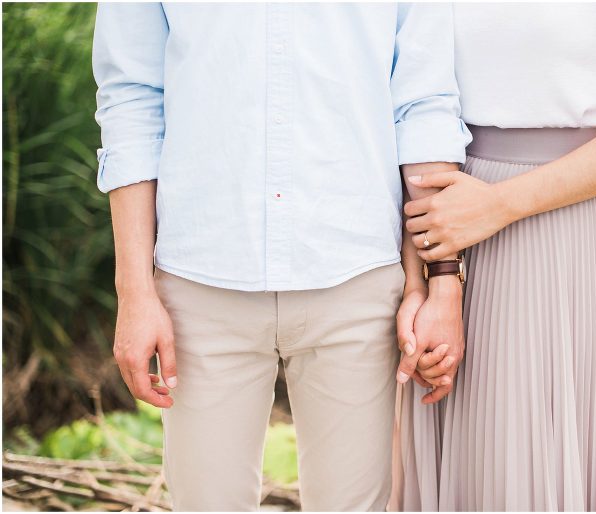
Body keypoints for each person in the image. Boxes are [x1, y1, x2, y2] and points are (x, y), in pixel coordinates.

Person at [92, 3, 470, 510]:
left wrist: (441, 280)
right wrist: (133, 291)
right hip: (202, 282)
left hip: (356, 276)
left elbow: (423, 105)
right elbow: (132, 103)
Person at [393, 2, 596, 511]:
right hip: (449, 227)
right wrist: (419, 276)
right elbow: (413, 108)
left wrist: (500, 203)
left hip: (579, 232)